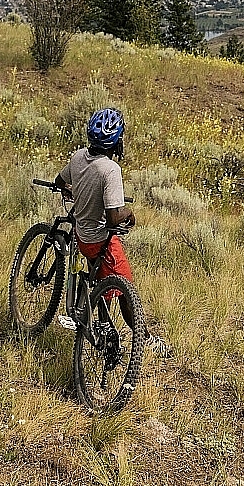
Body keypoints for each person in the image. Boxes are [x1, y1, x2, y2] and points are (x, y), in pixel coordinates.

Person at [54, 107, 171, 358]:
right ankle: (146, 339)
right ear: (117, 140)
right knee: (127, 293)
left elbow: (60, 181)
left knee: (100, 278)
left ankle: (98, 310)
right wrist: (129, 213)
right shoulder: (110, 170)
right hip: (100, 241)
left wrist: (75, 192)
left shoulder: (77, 158)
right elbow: (113, 218)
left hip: (81, 236)